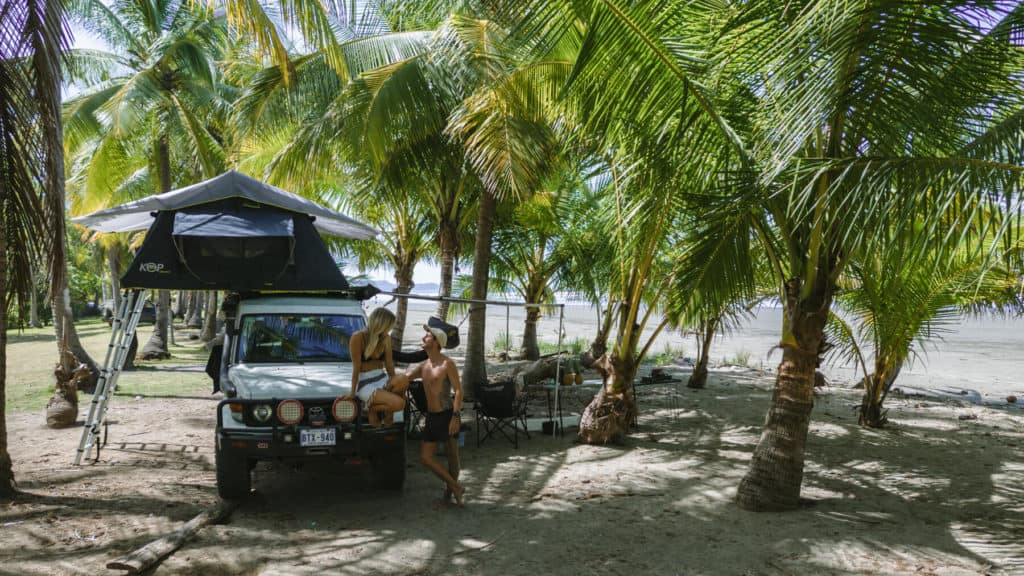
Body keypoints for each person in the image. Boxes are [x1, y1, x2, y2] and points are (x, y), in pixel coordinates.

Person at [406, 318, 465, 507]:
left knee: (452, 456)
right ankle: (456, 486)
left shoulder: (448, 364)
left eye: (428, 335)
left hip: (448, 414)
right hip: (432, 417)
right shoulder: (424, 366)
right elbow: (405, 377)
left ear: (437, 342)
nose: (424, 337)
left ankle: (449, 495)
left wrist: (455, 417)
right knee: (425, 458)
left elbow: (459, 391)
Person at [347, 308, 408, 428]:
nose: (389, 330)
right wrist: (352, 393)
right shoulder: (358, 337)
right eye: (389, 327)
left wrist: (395, 385)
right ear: (381, 325)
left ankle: (384, 409)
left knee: (403, 379)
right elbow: (356, 367)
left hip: (381, 378)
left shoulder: (385, 338)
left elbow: (389, 364)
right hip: (365, 383)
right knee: (400, 404)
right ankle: (372, 409)